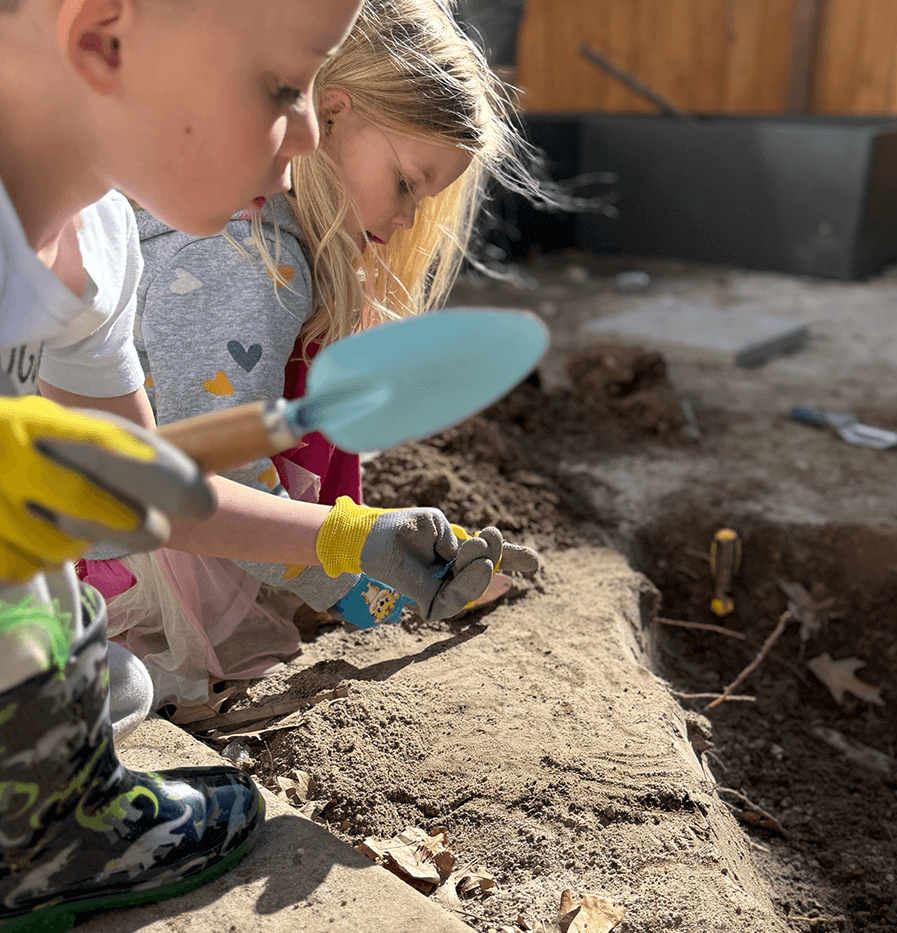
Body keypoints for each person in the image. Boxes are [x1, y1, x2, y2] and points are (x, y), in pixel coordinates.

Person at [0, 0, 365, 928]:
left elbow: (138, 490)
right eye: (284, 85)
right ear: (103, 39)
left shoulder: (98, 243)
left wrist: (350, 536)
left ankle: (49, 814)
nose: (313, 130)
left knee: (116, 677)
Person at [76, 0, 545, 718]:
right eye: (406, 184)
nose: (408, 222)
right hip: (113, 566)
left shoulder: (264, 246)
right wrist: (363, 584)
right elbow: (214, 478)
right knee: (147, 685)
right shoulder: (244, 261)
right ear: (333, 112)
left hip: (154, 516)